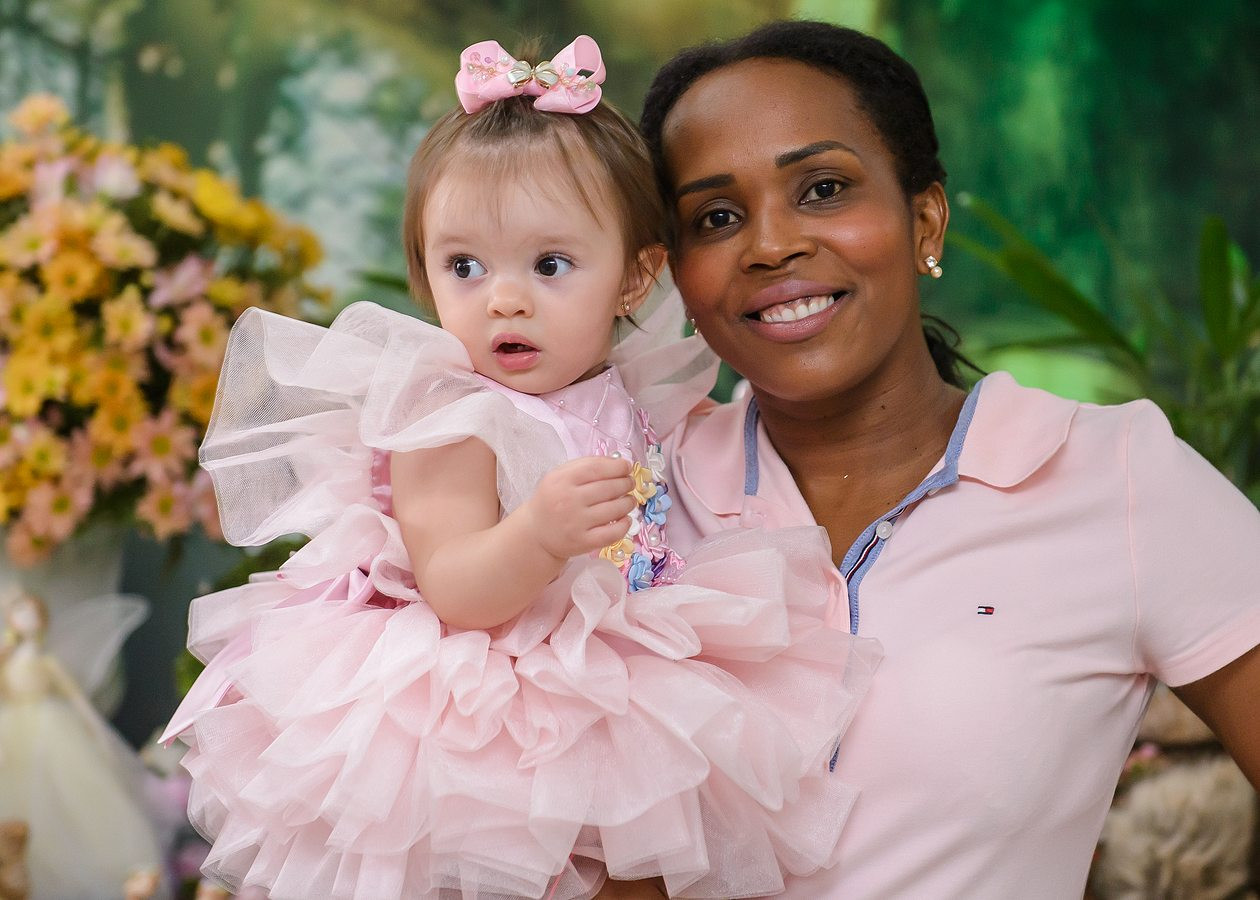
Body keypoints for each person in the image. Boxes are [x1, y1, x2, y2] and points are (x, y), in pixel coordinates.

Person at [162, 35, 881, 900]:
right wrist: (538, 533)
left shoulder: (624, 391)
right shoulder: (451, 417)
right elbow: (455, 586)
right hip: (487, 701)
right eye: (464, 266)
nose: (504, 298)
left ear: (635, 277)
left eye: (550, 265)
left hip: (614, 666)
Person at [634, 18, 1260, 899]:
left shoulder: (1118, 478)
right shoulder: (626, 494)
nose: (770, 245)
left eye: (822, 189)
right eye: (717, 217)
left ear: (924, 219)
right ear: (676, 271)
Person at [0, 591, 165, 899]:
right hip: (11, 730)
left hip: (50, 727)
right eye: (19, 611)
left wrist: (96, 728)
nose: (26, 618)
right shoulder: (7, 659)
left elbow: (76, 698)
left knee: (66, 795)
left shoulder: (46, 661)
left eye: (31, 612)